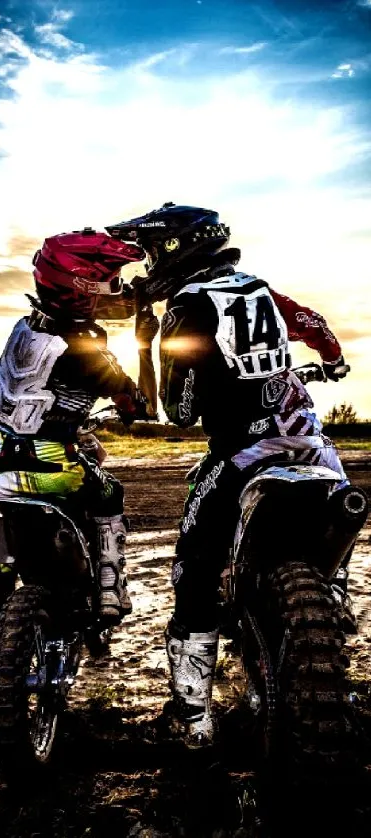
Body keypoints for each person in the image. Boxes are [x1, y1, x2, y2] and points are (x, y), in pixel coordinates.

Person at [106, 202, 351, 746]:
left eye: (149, 252)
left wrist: (146, 345)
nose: (146, 266)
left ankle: (193, 718)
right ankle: (337, 598)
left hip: (242, 455)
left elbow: (181, 410)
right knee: (337, 523)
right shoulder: (258, 288)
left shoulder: (188, 307)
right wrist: (331, 361)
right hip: (312, 448)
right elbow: (312, 324)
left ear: (175, 250)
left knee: (194, 573)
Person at [0, 227, 155, 714]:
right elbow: (139, 407)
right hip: (52, 466)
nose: (116, 287)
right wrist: (143, 346)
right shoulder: (87, 351)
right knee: (108, 492)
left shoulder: (24, 331)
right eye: (109, 279)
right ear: (83, 284)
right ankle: (111, 588)